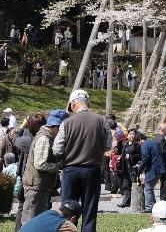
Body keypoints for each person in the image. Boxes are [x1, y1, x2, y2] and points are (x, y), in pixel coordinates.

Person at [52, 89, 113, 232]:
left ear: (73, 104)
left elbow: (57, 149)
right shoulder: (101, 120)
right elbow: (108, 145)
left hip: (70, 170)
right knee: (90, 210)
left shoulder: (66, 123)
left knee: (67, 211)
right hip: (93, 170)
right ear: (88, 103)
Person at [21, 110, 67, 225]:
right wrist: (58, 166)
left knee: (36, 222)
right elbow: (40, 164)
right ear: (55, 125)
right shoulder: (44, 138)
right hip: (36, 188)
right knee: (30, 222)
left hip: (39, 186)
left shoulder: (46, 136)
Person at [138, 132, 166, 213]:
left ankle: (149, 207)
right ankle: (154, 206)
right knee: (150, 188)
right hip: (159, 167)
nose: (138, 144)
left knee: (148, 189)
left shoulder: (145, 145)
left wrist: (140, 166)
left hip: (153, 169)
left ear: (140, 140)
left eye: (138, 142)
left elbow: (145, 158)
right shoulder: (152, 142)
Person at [118, 128, 142, 208]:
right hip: (125, 168)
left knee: (135, 185)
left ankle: (136, 202)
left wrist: (131, 156)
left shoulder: (137, 145)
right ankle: (126, 201)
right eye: (130, 134)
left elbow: (140, 155)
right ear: (127, 136)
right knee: (126, 185)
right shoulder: (126, 145)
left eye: (133, 134)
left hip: (133, 168)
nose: (131, 136)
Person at [150, 123, 166, 201]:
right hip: (161, 163)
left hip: (155, 162)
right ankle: (164, 197)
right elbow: (163, 152)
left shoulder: (155, 138)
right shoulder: (162, 139)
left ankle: (163, 197)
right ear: (163, 130)